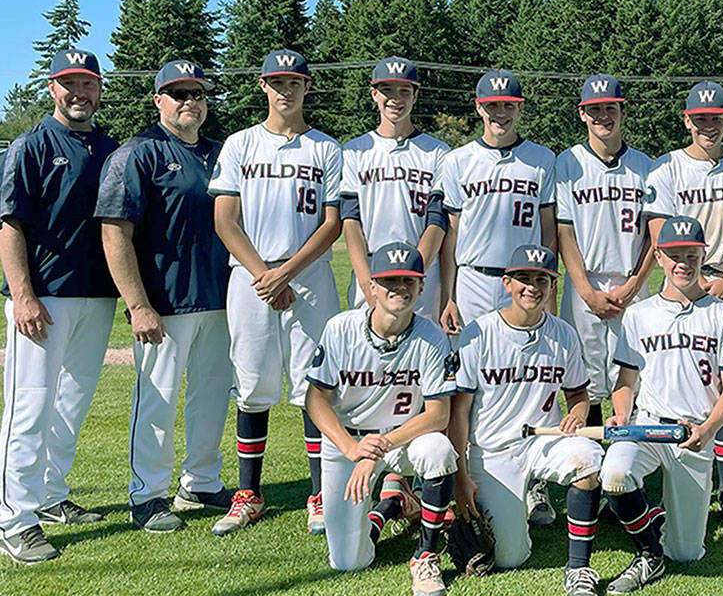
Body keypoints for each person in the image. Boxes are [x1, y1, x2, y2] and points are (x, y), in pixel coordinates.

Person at [207, 49, 343, 536]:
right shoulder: (241, 143)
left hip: (308, 277)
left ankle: (319, 495)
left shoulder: (326, 148)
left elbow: (332, 224)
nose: (286, 90)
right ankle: (249, 493)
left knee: (313, 387)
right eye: (277, 82)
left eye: (295, 82)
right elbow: (224, 218)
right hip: (250, 277)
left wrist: (285, 272)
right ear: (263, 85)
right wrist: (265, 273)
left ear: (308, 87)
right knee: (252, 386)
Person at [0, 49, 119, 563]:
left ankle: (49, 495)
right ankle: (13, 520)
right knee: (30, 405)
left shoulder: (110, 149)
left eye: (87, 83)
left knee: (71, 402)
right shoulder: (32, 145)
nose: (79, 92)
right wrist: (23, 294)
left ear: (99, 90)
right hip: (42, 298)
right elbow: (9, 224)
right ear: (52, 88)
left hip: (96, 295)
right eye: (69, 83)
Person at [97, 60, 233, 532]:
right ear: (158, 100)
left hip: (219, 297)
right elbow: (115, 233)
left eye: (197, 93)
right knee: (157, 399)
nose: (189, 102)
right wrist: (138, 305)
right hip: (164, 302)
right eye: (178, 94)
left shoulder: (221, 152)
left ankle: (201, 481)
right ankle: (148, 495)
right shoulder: (139, 154)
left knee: (212, 396)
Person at [448, 244, 604, 596]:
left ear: (553, 284)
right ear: (507, 283)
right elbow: (458, 413)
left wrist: (579, 415)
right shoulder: (478, 334)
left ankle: (579, 567)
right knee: (509, 558)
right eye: (523, 278)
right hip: (493, 449)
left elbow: (579, 394)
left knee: (588, 456)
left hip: (543, 440)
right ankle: (507, 515)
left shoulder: (563, 334)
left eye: (542, 279)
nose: (532, 287)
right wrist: (461, 476)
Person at [435, 69, 559, 527]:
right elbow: (449, 237)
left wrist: (551, 282)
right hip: (473, 278)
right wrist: (447, 295)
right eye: (492, 105)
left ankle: (537, 481)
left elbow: (548, 230)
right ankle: (462, 472)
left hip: (527, 281)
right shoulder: (458, 160)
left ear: (519, 108)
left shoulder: (541, 159)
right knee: (469, 384)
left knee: (531, 376)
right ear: (478, 107)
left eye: (508, 104)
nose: (500, 112)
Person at [600, 216, 723, 594]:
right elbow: (626, 382)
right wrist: (621, 412)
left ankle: (660, 518)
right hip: (648, 426)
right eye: (673, 255)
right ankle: (648, 553)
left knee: (686, 553)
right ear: (660, 258)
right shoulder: (639, 314)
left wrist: (709, 430)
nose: (682, 262)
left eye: (690, 254)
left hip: (694, 433)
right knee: (616, 473)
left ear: (703, 256)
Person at [304, 242, 459, 596]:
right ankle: (390, 506)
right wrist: (353, 448)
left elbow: (439, 415)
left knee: (438, 450)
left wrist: (378, 448)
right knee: (349, 562)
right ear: (371, 286)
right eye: (389, 281)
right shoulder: (341, 328)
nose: (399, 289)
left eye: (408, 281)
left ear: (421, 287)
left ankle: (425, 555)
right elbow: (316, 400)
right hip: (349, 442)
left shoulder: (432, 337)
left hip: (402, 441)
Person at [643, 81, 723, 526]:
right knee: (693, 377)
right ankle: (680, 472)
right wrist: (692, 282)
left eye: (716, 117)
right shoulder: (667, 169)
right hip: (686, 281)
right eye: (700, 118)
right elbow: (660, 234)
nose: (708, 125)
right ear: (687, 120)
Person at [555, 74, 655, 427]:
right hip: (586, 283)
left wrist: (633, 284)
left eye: (609, 108)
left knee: (636, 373)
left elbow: (653, 237)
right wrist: (585, 291)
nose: (602, 117)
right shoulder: (567, 163)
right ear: (582, 114)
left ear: (622, 111)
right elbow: (564, 232)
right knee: (587, 378)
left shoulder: (646, 166)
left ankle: (634, 459)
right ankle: (594, 463)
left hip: (632, 282)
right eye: (593, 110)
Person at [340, 57, 449, 322]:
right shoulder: (355, 150)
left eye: (404, 90)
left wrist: (412, 274)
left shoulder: (438, 152)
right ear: (374, 93)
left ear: (415, 94)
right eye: (387, 90)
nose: (395, 98)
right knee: (367, 359)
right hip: (371, 270)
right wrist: (368, 284)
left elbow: (437, 221)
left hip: (421, 274)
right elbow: (350, 222)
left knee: (420, 357)